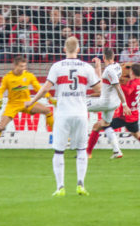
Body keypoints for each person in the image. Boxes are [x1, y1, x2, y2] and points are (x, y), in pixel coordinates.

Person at [24, 36, 100, 197]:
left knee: (59, 151)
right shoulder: (86, 68)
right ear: (78, 49)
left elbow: (45, 89)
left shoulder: (57, 67)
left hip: (63, 114)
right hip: (80, 113)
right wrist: (85, 93)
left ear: (64, 49)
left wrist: (31, 101)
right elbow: (100, 90)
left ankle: (60, 187)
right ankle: (80, 184)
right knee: (81, 150)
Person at [88, 63, 140, 159]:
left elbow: (128, 91)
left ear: (131, 72)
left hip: (124, 116)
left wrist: (116, 84)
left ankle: (89, 153)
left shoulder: (132, 84)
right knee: (137, 135)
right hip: (134, 117)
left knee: (98, 126)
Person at [0, 55, 56, 155]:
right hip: (12, 105)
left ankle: (56, 136)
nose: (23, 68)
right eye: (21, 66)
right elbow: (0, 91)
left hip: (27, 103)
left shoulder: (29, 75)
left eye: (24, 66)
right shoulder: (7, 78)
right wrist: (0, 100)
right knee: (1, 127)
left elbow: (38, 88)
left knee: (47, 111)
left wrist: (49, 97)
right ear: (15, 65)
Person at [86, 48, 130, 159]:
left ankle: (73, 142)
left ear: (104, 57)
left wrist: (125, 105)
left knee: (78, 108)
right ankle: (117, 151)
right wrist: (98, 66)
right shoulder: (117, 67)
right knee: (103, 124)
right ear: (114, 57)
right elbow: (103, 81)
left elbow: (118, 87)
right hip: (114, 102)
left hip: (106, 102)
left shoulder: (109, 71)